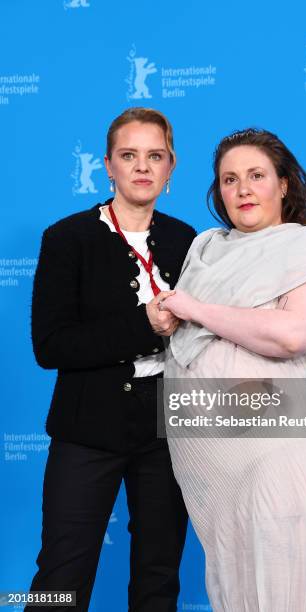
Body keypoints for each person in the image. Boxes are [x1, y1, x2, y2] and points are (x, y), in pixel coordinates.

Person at [160, 128, 306, 611]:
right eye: (229, 179)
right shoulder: (205, 250)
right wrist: (166, 316)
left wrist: (195, 309)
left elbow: (292, 335)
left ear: (284, 184)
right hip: (215, 476)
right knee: (236, 594)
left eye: (256, 175)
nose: (242, 189)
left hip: (285, 460)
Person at [26, 107, 196, 612]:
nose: (142, 167)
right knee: (62, 574)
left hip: (168, 433)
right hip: (86, 429)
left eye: (155, 156)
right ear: (108, 165)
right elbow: (51, 346)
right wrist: (143, 325)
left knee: (159, 575)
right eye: (129, 155)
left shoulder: (189, 241)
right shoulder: (66, 238)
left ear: (170, 167)